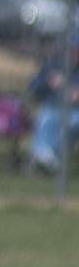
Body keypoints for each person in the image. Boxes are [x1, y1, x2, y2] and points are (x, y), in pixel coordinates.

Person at [28, 33, 79, 173]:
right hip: (54, 108)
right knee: (47, 117)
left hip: (76, 111)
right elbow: (33, 87)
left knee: (71, 122)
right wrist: (49, 82)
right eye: (72, 49)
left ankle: (49, 160)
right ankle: (43, 156)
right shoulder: (54, 66)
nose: (74, 54)